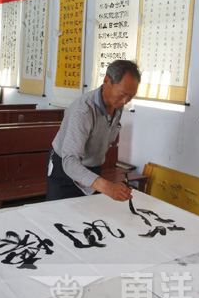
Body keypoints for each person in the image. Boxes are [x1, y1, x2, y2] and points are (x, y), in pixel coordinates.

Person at [46, 59, 141, 202]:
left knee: (89, 211)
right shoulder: (83, 111)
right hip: (66, 168)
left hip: (92, 166)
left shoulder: (117, 105)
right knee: (59, 212)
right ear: (106, 81)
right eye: (122, 95)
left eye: (131, 96)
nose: (125, 101)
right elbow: (70, 161)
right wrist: (108, 188)